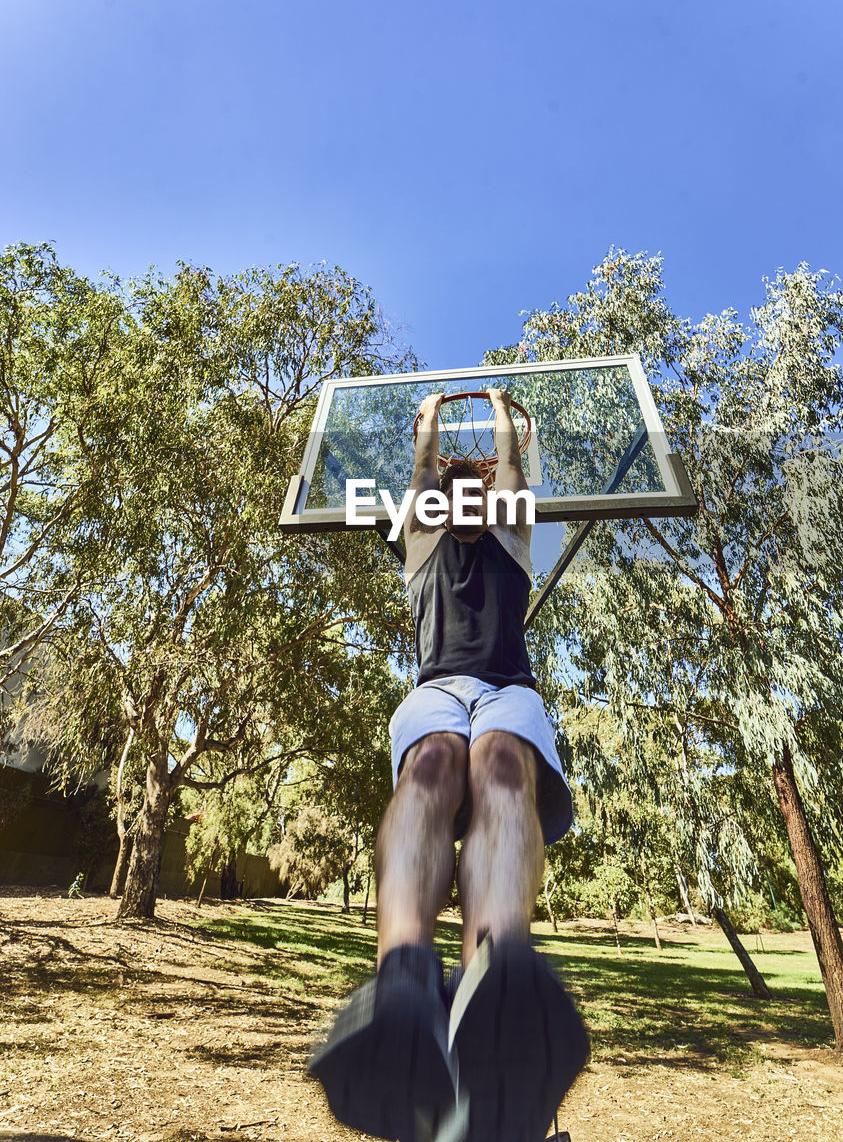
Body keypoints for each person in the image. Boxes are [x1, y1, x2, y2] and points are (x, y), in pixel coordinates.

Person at [310, 389, 589, 1142]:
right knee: (431, 765)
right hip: (436, 690)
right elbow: (423, 466)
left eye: (479, 490)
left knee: (501, 766)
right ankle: (401, 976)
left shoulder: (512, 539)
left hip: (507, 692)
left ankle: (490, 977)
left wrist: (500, 412)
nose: (465, 496)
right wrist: (429, 419)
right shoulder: (423, 544)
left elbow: (507, 466)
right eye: (451, 492)